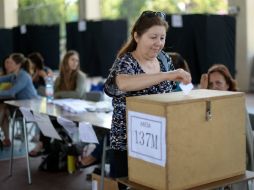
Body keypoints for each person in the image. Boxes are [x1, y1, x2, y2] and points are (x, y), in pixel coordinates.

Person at [104, 10, 191, 184]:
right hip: (128, 143)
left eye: (162, 38)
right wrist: (167, 75)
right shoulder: (125, 61)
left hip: (160, 141)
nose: (158, 43)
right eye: (153, 37)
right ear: (137, 36)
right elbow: (124, 84)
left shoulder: (165, 59)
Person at [200, 64, 254, 190]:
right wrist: (202, 94)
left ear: (228, 84)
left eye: (218, 82)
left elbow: (247, 139)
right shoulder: (206, 106)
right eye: (211, 84)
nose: (214, 87)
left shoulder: (237, 105)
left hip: (234, 163)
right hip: (212, 165)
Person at [29, 50, 89, 157]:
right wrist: (49, 81)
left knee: (51, 120)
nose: (75, 62)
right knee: (44, 118)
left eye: (77, 60)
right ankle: (44, 145)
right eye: (72, 60)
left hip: (77, 115)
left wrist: (60, 94)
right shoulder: (60, 78)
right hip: (61, 113)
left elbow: (77, 94)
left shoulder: (81, 76)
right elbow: (52, 94)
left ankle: (45, 145)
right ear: (66, 61)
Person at [0, 53, 38, 146]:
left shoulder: (23, 76)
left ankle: (7, 138)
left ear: (18, 64)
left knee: (3, 108)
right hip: (20, 105)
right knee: (3, 109)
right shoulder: (14, 75)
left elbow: (11, 92)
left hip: (31, 108)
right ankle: (7, 139)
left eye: (10, 62)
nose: (8, 65)